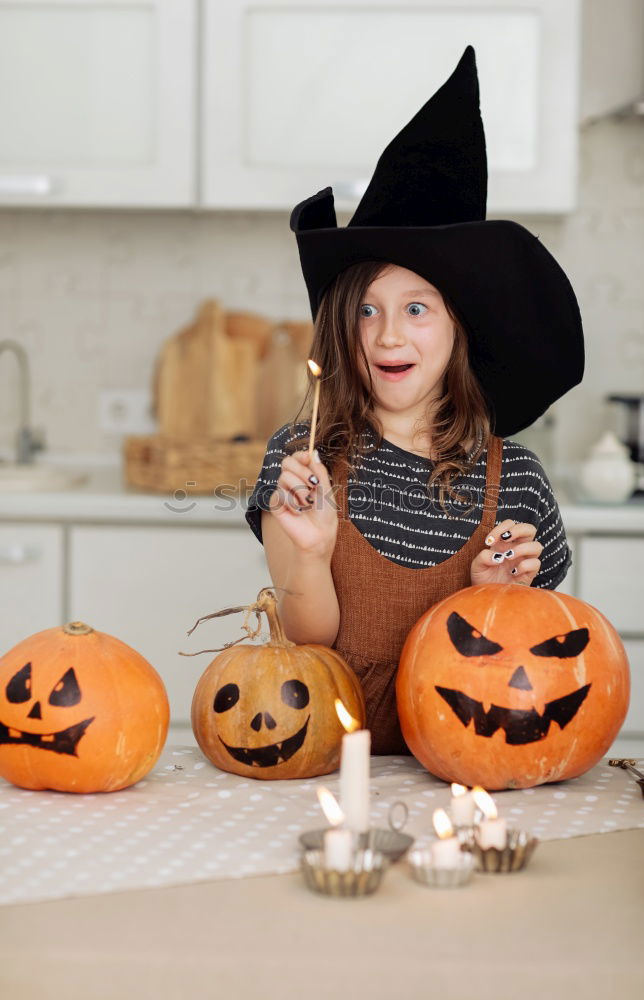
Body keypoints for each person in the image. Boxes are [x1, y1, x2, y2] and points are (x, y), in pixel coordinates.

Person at [245, 47, 584, 754]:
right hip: (325, 766)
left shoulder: (516, 481)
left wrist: (498, 595)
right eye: (365, 310)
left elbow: (528, 662)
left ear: (460, 325)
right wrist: (309, 556)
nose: (388, 334)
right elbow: (308, 645)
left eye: (417, 309)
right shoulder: (303, 456)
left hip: (470, 767)